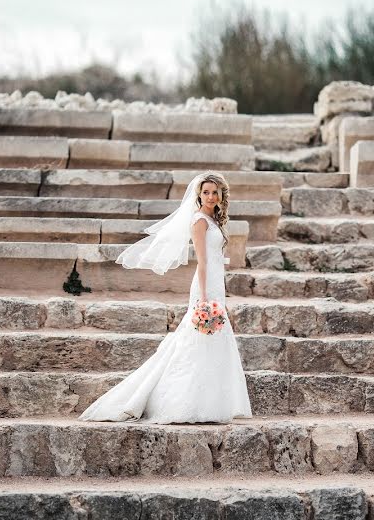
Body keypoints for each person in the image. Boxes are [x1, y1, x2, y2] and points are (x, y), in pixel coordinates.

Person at [78, 171, 252, 424]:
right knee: (196, 339)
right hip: (205, 288)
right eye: (206, 192)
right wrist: (204, 298)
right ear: (199, 195)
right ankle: (182, 401)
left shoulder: (214, 220)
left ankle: (211, 402)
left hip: (216, 284)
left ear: (221, 194)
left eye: (215, 192)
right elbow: (201, 262)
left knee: (212, 340)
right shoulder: (199, 221)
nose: (211, 196)